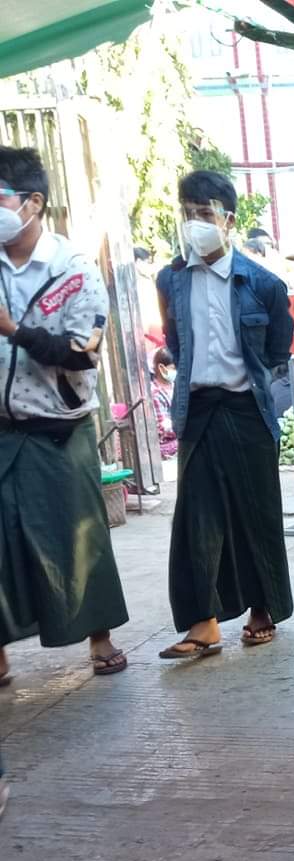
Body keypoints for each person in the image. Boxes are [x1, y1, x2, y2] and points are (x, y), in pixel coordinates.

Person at [0, 146, 129, 684]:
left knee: (79, 539)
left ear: (33, 203)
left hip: (59, 427)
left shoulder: (73, 270)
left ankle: (100, 636)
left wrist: (13, 331)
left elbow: (82, 351)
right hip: (3, 429)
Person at [155, 170, 294, 659]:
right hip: (199, 408)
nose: (195, 223)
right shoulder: (171, 279)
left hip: (246, 408)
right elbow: (176, 344)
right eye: (188, 213)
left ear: (229, 220)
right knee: (196, 516)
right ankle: (203, 623)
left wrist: (267, 404)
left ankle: (263, 609)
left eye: (205, 214)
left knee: (256, 514)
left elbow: (279, 354)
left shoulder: (264, 284)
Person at [151, 345, 178, 459]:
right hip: (165, 444)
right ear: (161, 368)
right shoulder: (155, 393)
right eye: (174, 368)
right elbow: (163, 428)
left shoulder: (175, 386)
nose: (176, 371)